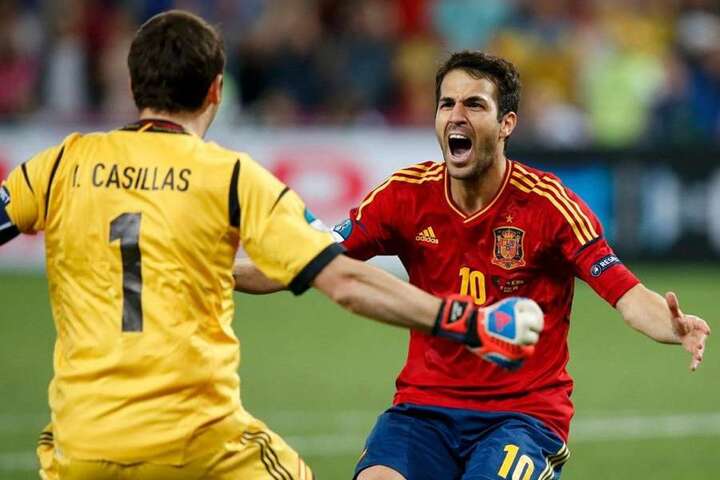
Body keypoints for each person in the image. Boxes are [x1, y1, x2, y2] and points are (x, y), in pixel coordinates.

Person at [0, 15, 546, 480]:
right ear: (216, 90)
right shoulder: (233, 178)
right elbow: (344, 280)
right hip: (199, 441)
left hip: (80, 442)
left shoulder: (60, 163)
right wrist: (472, 324)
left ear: (132, 82)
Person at [233, 51, 711, 480]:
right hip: (423, 410)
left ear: (506, 124)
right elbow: (306, 260)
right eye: (447, 104)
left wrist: (672, 326)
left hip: (523, 418)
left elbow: (625, 293)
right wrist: (218, 269)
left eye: (474, 105)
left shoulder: (549, 206)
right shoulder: (404, 195)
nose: (456, 116)